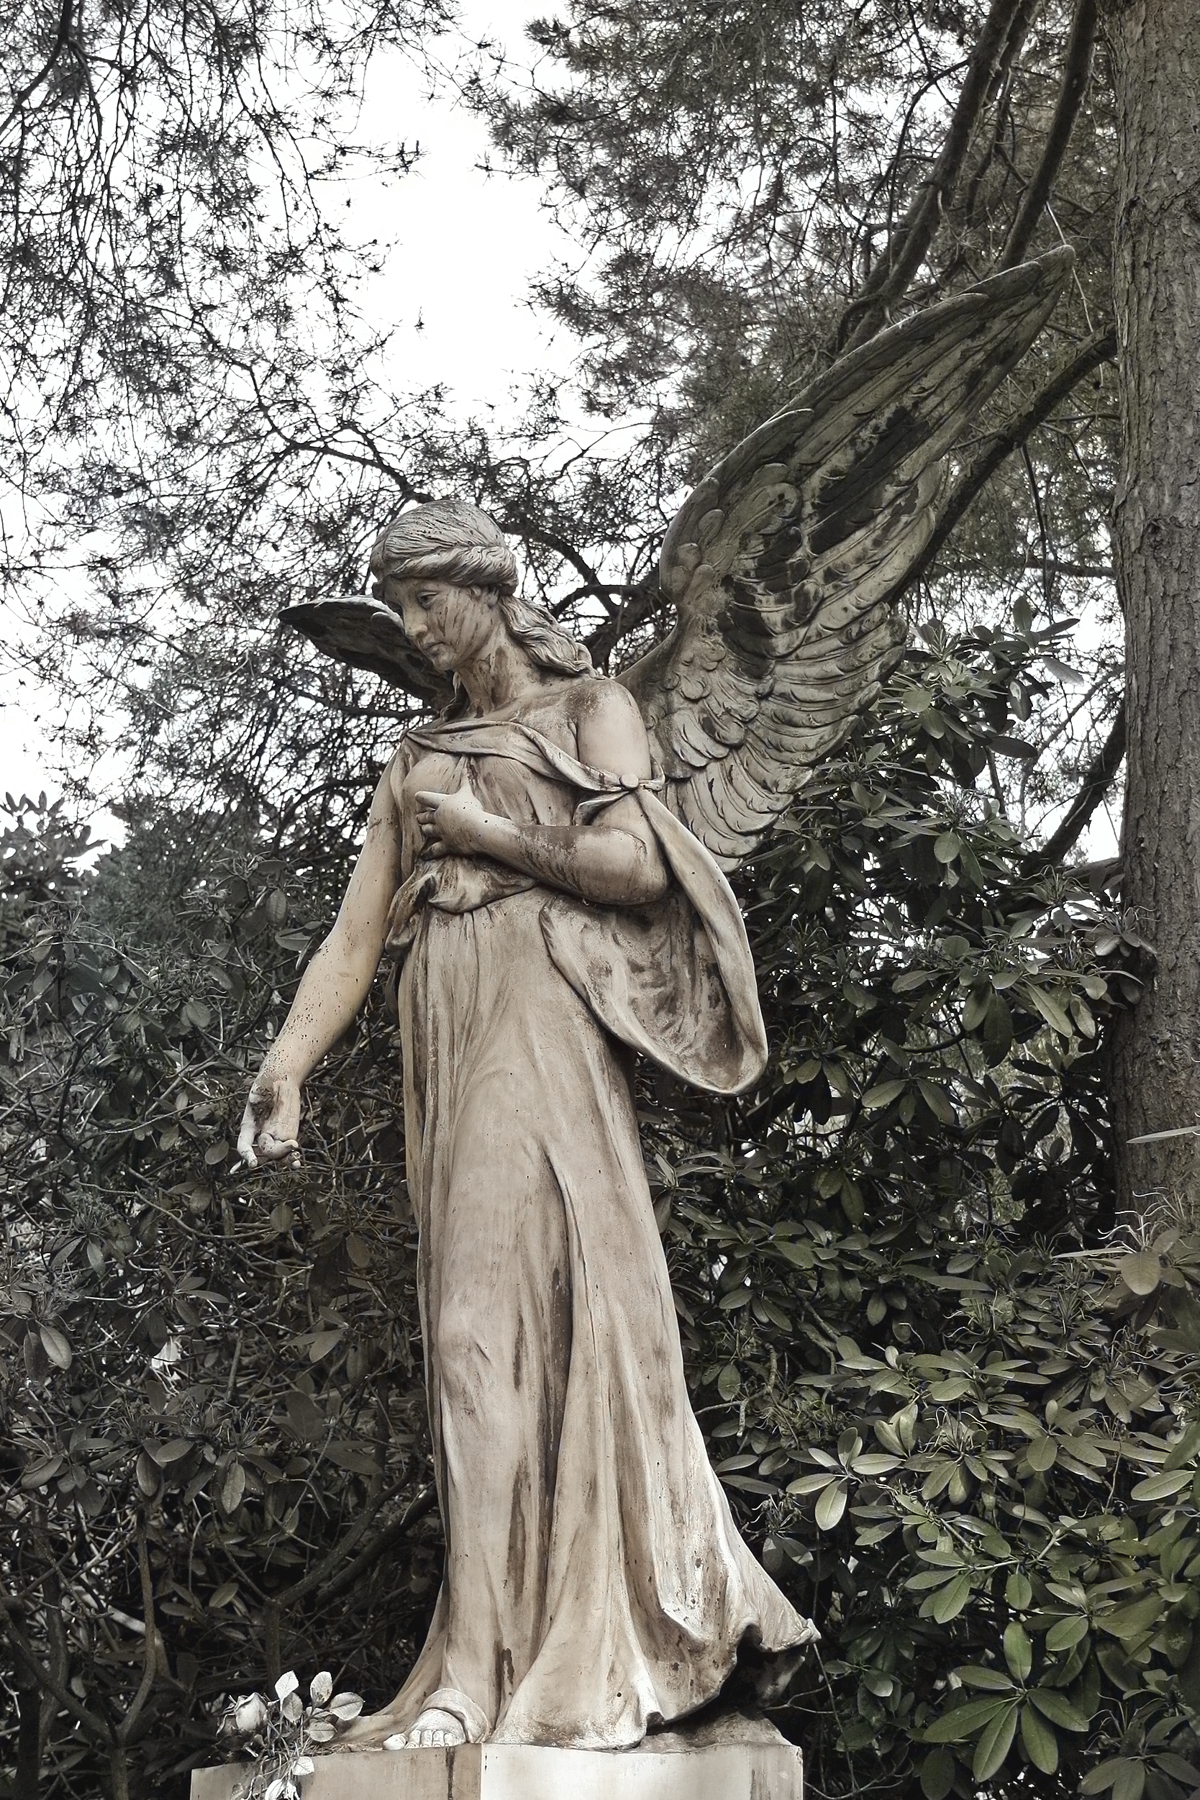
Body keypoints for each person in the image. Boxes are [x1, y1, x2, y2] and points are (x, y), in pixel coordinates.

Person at [237, 498, 815, 1753]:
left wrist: (495, 835)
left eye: (424, 600)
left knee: (475, 1329)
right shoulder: (413, 758)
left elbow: (642, 869)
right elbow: (353, 934)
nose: (411, 627)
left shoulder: (587, 711)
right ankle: (480, 1649)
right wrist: (288, 1060)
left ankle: (483, 1674)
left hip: (539, 1010)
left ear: (485, 589)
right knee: (478, 1334)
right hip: (442, 1009)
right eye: (395, 608)